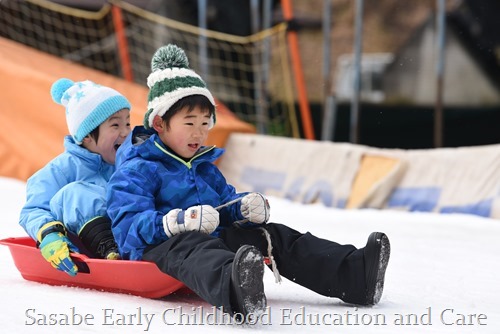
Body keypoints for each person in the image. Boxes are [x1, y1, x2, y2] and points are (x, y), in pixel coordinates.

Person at [106, 44, 391, 319]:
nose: (199, 133)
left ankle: (356, 275)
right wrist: (177, 221)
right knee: (193, 245)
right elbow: (128, 226)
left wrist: (241, 209)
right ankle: (238, 287)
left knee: (272, 235)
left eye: (205, 124)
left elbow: (223, 207)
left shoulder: (204, 168)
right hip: (159, 250)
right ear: (159, 124)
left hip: (208, 241)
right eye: (190, 123)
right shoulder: (138, 168)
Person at [19, 78, 132, 277]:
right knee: (76, 193)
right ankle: (110, 249)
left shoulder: (129, 163)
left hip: (128, 235)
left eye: (128, 123)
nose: (125, 132)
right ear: (87, 135)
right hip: (82, 243)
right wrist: (49, 235)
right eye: (115, 125)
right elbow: (33, 209)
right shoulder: (62, 169)